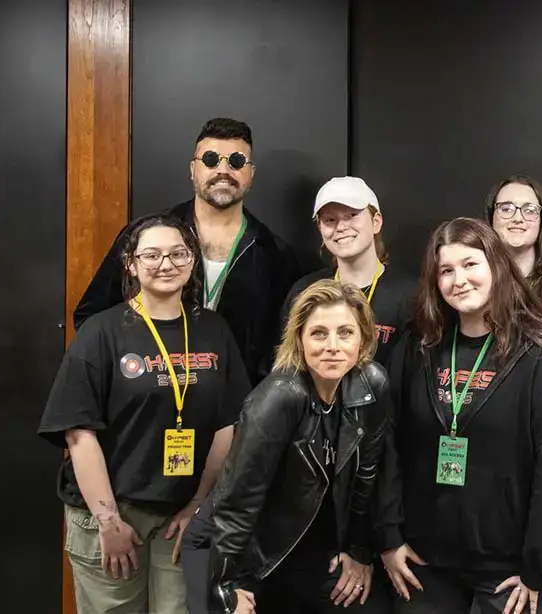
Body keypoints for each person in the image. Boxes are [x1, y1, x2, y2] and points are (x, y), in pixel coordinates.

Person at [38, 213, 251, 614]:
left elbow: (228, 423)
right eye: (151, 255)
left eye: (177, 254)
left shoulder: (213, 329)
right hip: (114, 513)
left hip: (180, 512)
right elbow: (79, 435)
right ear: (131, 264)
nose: (165, 264)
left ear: (192, 262)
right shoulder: (101, 333)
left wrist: (199, 505)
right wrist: (108, 522)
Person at [378, 217, 542, 614]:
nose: (459, 279)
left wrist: (540, 568)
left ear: (496, 266)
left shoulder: (540, 354)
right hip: (427, 564)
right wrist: (388, 536)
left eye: (470, 264)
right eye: (446, 270)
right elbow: (387, 443)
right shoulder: (419, 349)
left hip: (512, 572)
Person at [73, 117, 307, 385]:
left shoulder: (276, 255)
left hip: (235, 412)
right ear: (192, 169)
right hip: (148, 402)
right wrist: (126, 381)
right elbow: (90, 318)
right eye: (210, 159)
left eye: (237, 161)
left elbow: (285, 345)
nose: (223, 169)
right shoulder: (145, 238)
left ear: (251, 174)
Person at [207, 279, 393, 613]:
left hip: (322, 554)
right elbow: (237, 501)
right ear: (300, 339)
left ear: (363, 338)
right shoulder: (280, 396)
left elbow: (367, 477)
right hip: (264, 557)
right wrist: (227, 585)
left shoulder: (372, 385)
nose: (332, 346)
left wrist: (358, 551)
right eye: (319, 333)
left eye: (345, 333)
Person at [281, 176, 416, 367]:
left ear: (376, 222)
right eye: (330, 219)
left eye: (352, 215)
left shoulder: (411, 296)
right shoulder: (304, 291)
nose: (341, 227)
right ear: (320, 229)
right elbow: (288, 364)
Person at [484, 174, 542, 307]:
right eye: (506, 209)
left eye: (530, 210)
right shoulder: (477, 285)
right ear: (491, 218)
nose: (518, 218)